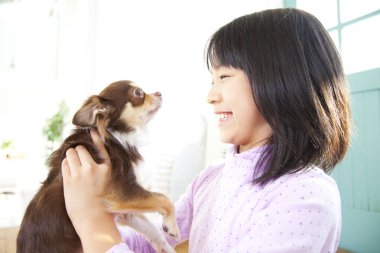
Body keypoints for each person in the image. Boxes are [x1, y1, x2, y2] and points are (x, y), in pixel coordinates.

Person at [62, 8, 351, 253]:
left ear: (282, 81)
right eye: (212, 80)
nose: (211, 96)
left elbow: (101, 231)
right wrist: (83, 221)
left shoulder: (306, 197)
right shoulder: (211, 179)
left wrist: (93, 224)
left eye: (223, 76)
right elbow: (153, 242)